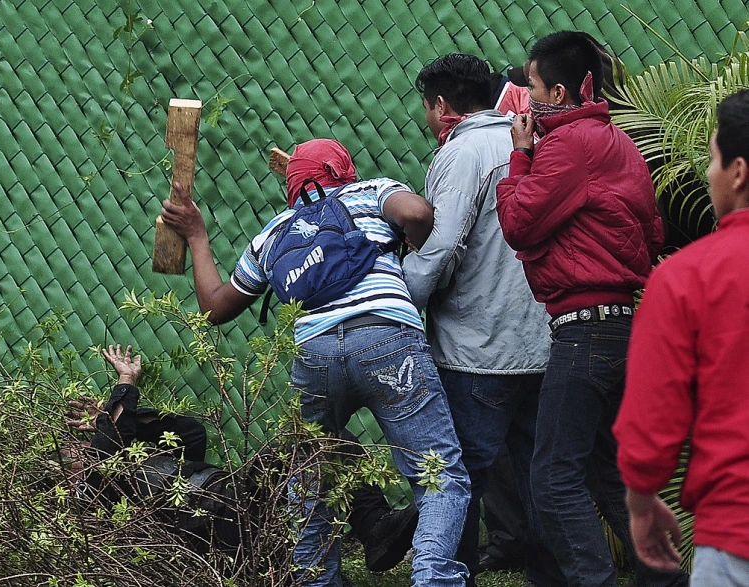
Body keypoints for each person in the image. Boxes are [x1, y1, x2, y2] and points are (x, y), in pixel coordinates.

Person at [160, 138, 471, 586]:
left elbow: (214, 306)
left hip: (315, 356)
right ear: (345, 171)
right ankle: (434, 579)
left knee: (310, 481)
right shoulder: (369, 192)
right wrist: (413, 246)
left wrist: (196, 235)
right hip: (386, 339)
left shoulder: (273, 234)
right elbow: (418, 213)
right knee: (438, 474)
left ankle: (316, 581)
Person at [495, 31, 687, 586]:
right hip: (622, 327)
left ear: (558, 92)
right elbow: (651, 232)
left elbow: (518, 223)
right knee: (612, 474)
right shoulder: (617, 142)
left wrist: (520, 156)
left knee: (553, 478)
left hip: (585, 333)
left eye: (532, 87)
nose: (527, 99)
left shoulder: (567, 145)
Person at [403, 54, 559, 586]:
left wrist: (404, 298)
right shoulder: (534, 143)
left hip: (476, 351)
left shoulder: (462, 152)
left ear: (441, 105)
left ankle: (454, 574)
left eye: (427, 108)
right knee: (543, 477)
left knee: (458, 475)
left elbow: (442, 246)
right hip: (541, 341)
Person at [67, 344, 421, 573]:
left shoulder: (131, 456)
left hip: (240, 495)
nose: (79, 448)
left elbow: (191, 433)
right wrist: (124, 387)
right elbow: (105, 450)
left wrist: (119, 418)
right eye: (70, 453)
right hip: (217, 529)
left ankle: (375, 528)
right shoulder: (90, 498)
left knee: (322, 437)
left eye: (77, 444)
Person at [613, 89, 749, 586]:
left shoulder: (688, 277)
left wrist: (641, 502)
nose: (709, 173)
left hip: (736, 533)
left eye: (712, 158)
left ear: (738, 172)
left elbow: (653, 419)